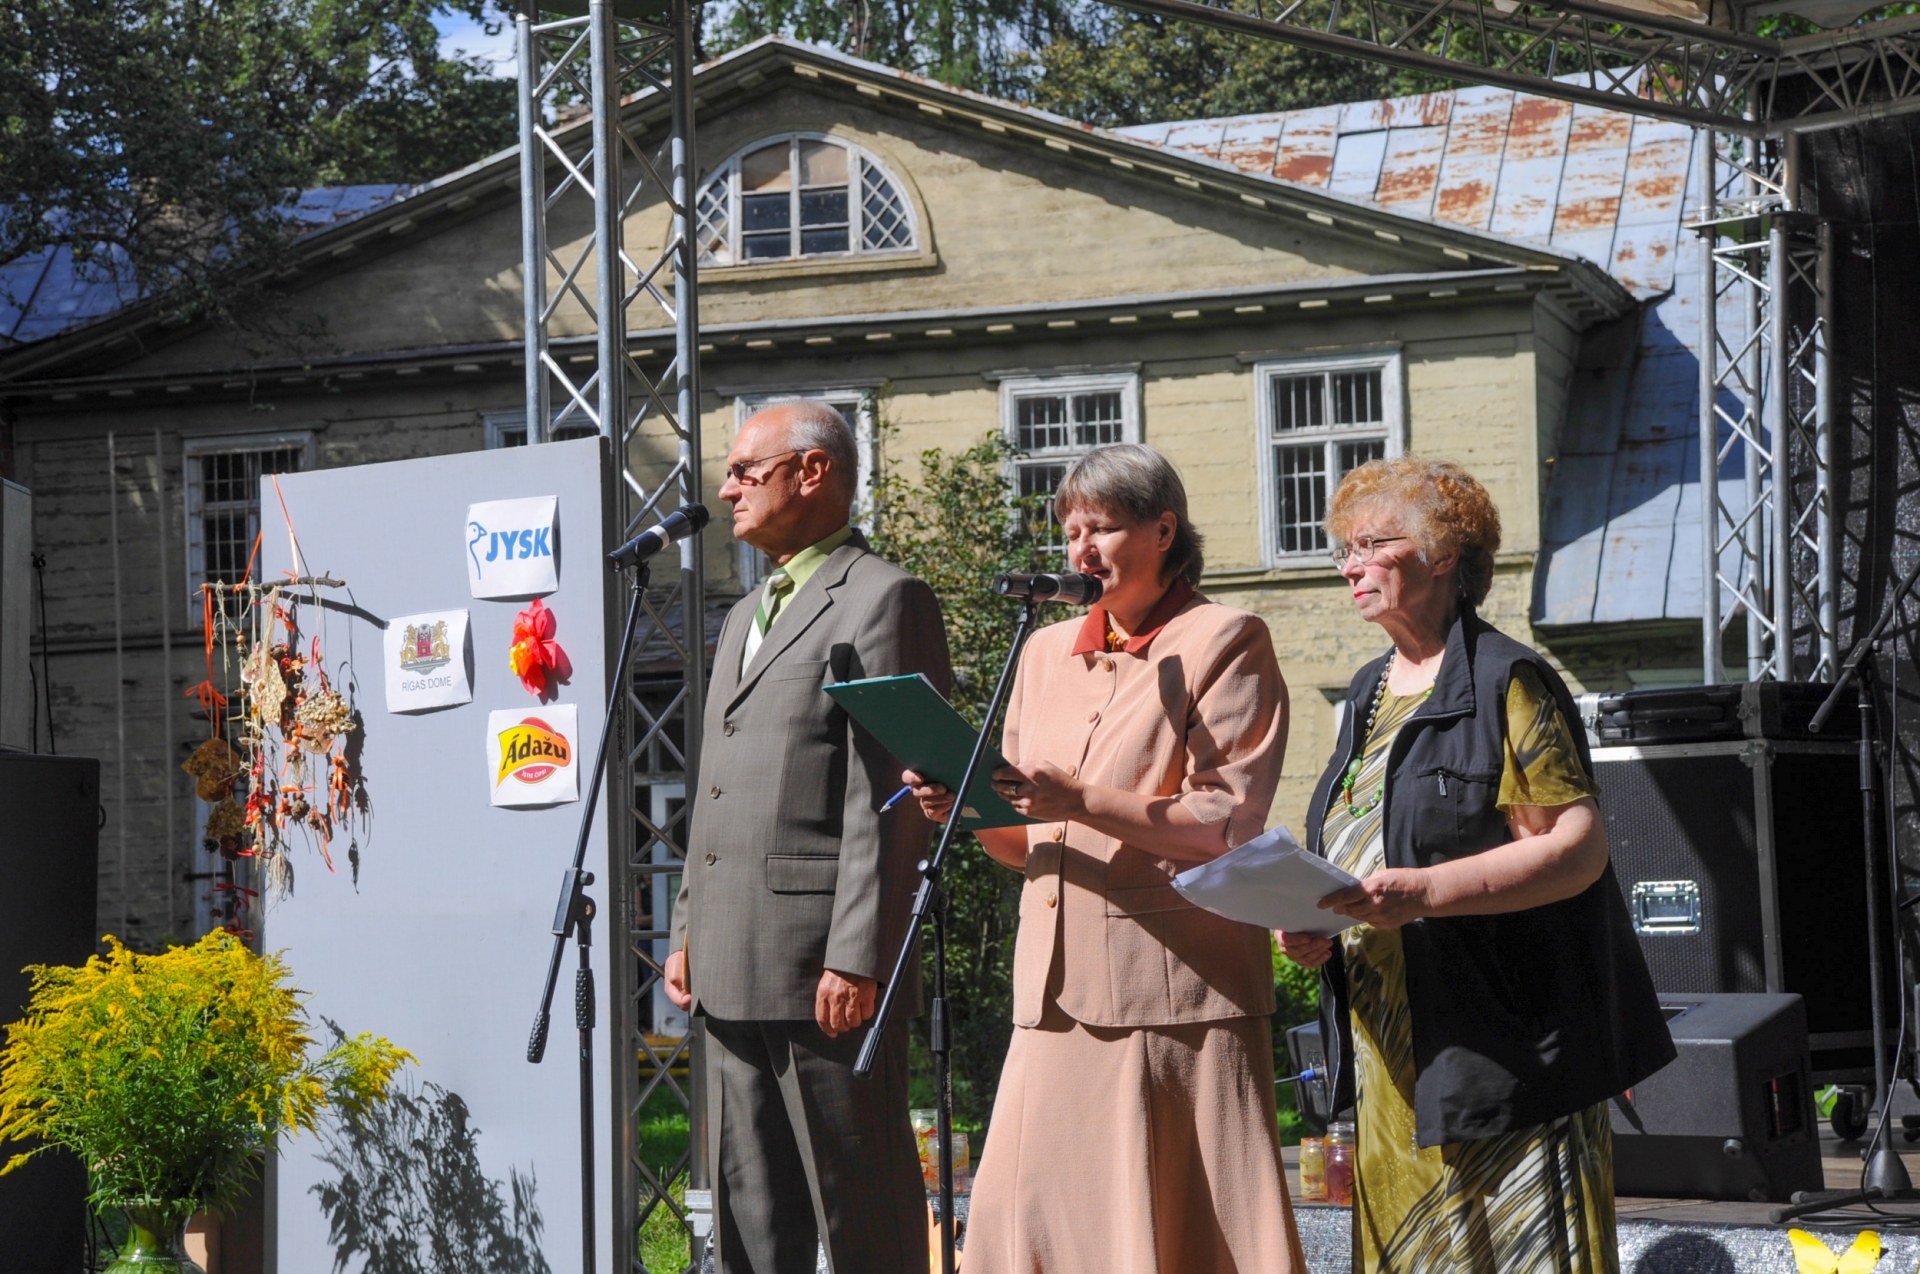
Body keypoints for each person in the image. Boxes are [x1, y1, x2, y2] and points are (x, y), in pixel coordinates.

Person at [906, 443, 1306, 1274]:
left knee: (1179, 1233)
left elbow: (1224, 821)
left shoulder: (1226, 638)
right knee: (1034, 1223)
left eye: (1103, 528)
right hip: (1051, 993)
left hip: (1176, 997)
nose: (1082, 550)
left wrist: (1080, 800)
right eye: (1071, 533)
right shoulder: (1044, 650)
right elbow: (1024, 842)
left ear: (1164, 531)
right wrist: (966, 809)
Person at [1278, 457, 1674, 1273]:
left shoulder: (1508, 681)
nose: (1351, 565)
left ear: (1443, 553)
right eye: (1345, 550)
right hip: (1395, 1062)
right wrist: (1317, 925)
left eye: (1373, 545)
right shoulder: (1366, 692)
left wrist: (1425, 893)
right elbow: (1362, 839)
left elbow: (1575, 848)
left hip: (1504, 1054)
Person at [664, 400, 951, 1274]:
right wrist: (687, 927)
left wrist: (858, 954)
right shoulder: (743, 614)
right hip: (727, 962)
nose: (728, 491)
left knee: (861, 1215)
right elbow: (716, 789)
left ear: (813, 471)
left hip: (823, 971)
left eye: (745, 473)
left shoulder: (883, 597)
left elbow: (889, 795)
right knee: (750, 1220)